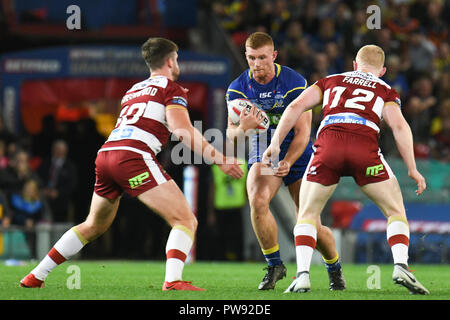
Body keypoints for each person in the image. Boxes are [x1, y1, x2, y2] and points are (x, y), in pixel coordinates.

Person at [19, 37, 244, 290]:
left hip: (106, 155)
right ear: (170, 61)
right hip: (133, 157)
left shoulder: (133, 90)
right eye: (177, 59)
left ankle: (36, 275)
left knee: (93, 224)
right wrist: (220, 159)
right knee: (185, 220)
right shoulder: (171, 88)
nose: (178, 64)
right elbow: (183, 131)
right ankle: (173, 280)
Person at [263, 44, 430, 295]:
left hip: (329, 145)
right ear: (382, 71)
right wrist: (412, 168)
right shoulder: (385, 90)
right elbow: (399, 127)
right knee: (395, 210)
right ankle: (401, 266)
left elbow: (295, 106)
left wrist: (275, 143)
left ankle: (303, 275)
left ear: (354, 64)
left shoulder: (330, 80)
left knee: (307, 215)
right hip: (364, 147)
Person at [226, 32, 345, 290]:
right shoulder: (237, 89)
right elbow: (231, 137)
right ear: (246, 57)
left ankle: (334, 268)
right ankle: (274, 265)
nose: (257, 64)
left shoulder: (293, 82)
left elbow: (303, 133)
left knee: (309, 220)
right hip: (264, 146)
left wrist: (289, 161)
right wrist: (243, 128)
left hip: (297, 150)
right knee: (257, 200)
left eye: (262, 58)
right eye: (251, 58)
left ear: (274, 56)